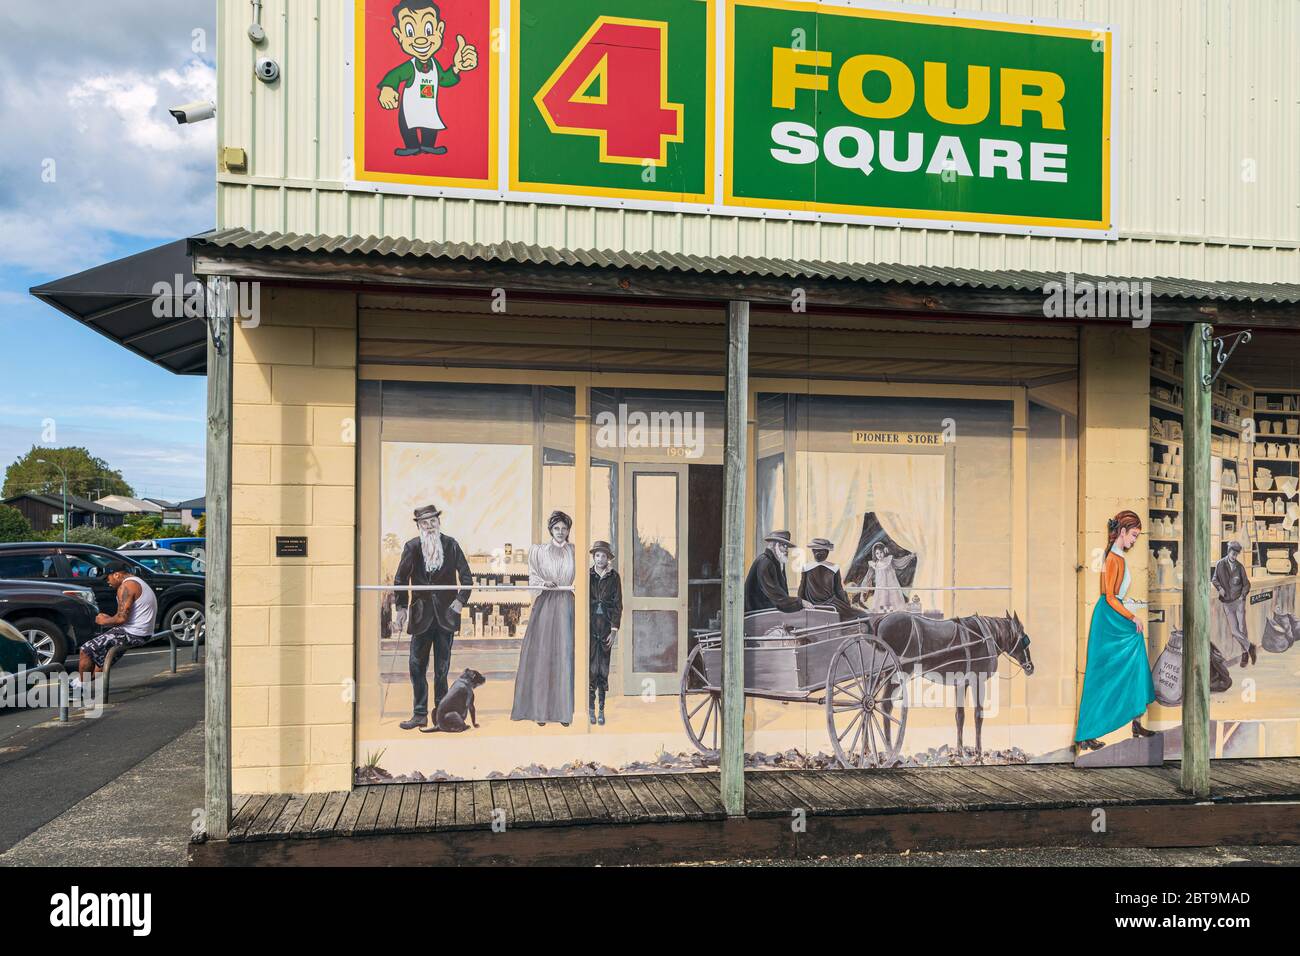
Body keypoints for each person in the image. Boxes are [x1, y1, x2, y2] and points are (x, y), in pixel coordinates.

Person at [1075, 510, 1157, 753]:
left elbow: (1114, 596)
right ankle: (1086, 734)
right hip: (1110, 620)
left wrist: (1131, 611)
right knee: (1101, 677)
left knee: (1133, 666)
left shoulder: (1115, 556)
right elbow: (1109, 596)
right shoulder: (1113, 558)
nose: (1134, 540)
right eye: (1133, 535)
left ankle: (1135, 721)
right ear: (1122, 532)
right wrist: (1132, 615)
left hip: (1113, 616)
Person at [393, 504, 473, 731]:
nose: (429, 527)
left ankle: (441, 713)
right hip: (420, 616)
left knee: (442, 669)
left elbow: (467, 577)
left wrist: (460, 601)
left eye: (432, 522)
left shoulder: (451, 544)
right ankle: (419, 714)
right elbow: (400, 580)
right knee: (416, 666)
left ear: (439, 522)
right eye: (424, 523)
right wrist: (401, 608)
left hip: (446, 616)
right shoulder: (412, 547)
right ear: (418, 526)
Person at [376, 0, 479, 157]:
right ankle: (411, 146)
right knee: (407, 125)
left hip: (428, 106)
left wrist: (457, 68)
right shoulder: (409, 67)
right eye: (410, 31)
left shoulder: (434, 64)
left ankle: (428, 145)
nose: (421, 39)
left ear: (440, 30)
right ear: (399, 35)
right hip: (409, 108)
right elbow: (394, 76)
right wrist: (387, 89)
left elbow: (444, 79)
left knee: (430, 123)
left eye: (428, 29)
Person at [512, 511, 576, 726]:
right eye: (557, 528)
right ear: (551, 530)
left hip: (566, 604)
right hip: (546, 605)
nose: (560, 532)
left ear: (568, 531)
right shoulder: (539, 551)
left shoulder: (573, 551)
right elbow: (533, 576)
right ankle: (541, 711)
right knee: (543, 656)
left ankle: (563, 713)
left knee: (564, 655)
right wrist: (543, 583)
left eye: (564, 529)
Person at [70, 562, 158, 693]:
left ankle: (79, 687)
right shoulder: (137, 581)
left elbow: (121, 618)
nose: (107, 582)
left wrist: (103, 620)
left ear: (116, 575)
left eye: (107, 577)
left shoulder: (126, 586)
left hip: (132, 633)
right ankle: (78, 683)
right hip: (141, 631)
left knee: (85, 650)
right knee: (101, 659)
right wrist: (110, 619)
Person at [587, 541, 622, 726]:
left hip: (606, 627)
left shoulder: (614, 577)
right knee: (591, 668)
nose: (600, 559)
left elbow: (618, 605)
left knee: (603, 669)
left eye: (603, 555)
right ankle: (590, 709)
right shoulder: (588, 575)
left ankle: (601, 709)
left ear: (608, 558)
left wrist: (614, 629)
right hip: (590, 626)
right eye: (597, 555)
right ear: (594, 557)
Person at [744, 530, 811, 614]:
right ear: (774, 545)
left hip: (767, 613)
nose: (787, 550)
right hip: (756, 616)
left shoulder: (777, 562)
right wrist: (800, 602)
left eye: (787, 547)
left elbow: (781, 596)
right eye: (784, 546)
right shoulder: (765, 562)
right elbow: (777, 596)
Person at [1213, 540, 1254, 667]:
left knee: (1242, 628)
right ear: (1228, 551)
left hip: (1239, 601)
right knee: (1234, 630)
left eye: (1236, 554)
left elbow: (1246, 584)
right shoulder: (1220, 564)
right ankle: (1250, 647)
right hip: (1227, 602)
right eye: (1232, 553)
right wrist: (1219, 588)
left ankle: (1244, 654)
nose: (1234, 556)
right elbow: (1214, 579)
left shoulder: (1240, 567)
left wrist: (1242, 596)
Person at [797, 537, 858, 620]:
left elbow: (801, 590)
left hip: (811, 605)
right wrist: (846, 603)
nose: (818, 553)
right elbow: (839, 590)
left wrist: (801, 603)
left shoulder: (806, 567)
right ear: (827, 552)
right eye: (817, 550)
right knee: (860, 615)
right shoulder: (834, 567)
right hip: (831, 604)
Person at [862, 541, 910, 612]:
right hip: (881, 587)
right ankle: (884, 613)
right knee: (882, 603)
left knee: (895, 602)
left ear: (884, 551)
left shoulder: (889, 561)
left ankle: (895, 614)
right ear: (875, 554)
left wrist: (909, 557)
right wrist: (864, 588)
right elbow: (868, 576)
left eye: (881, 552)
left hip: (891, 585)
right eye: (877, 553)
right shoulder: (874, 565)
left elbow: (899, 563)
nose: (879, 555)